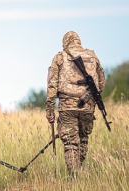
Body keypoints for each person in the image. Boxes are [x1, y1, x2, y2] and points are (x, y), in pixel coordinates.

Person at [45, 31, 106, 177]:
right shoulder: (93, 56)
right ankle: (78, 171)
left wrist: (50, 110)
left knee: (71, 143)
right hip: (87, 106)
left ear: (65, 42)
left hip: (67, 107)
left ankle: (75, 177)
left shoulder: (59, 57)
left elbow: (52, 86)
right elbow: (101, 84)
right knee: (83, 139)